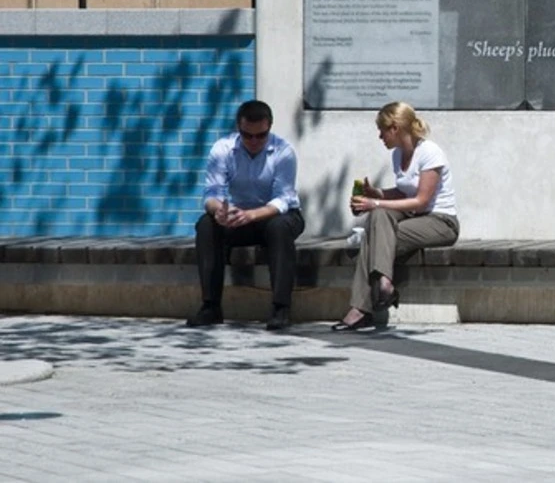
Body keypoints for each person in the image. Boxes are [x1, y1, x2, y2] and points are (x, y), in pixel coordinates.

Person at [332, 102, 459, 332]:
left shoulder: (430, 152)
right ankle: (384, 285)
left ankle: (361, 309)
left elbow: (421, 201)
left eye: (382, 130)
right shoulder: (398, 155)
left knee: (374, 236)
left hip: (440, 221)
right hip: (414, 218)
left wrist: (376, 202)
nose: (380, 136)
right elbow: (404, 192)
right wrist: (376, 195)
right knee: (378, 219)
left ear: (395, 128)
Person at [186, 100, 305, 331]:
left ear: (269, 128)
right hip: (239, 216)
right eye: (247, 135)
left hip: (276, 215)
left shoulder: (284, 152)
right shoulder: (222, 149)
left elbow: (283, 199)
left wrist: (252, 215)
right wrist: (219, 211)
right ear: (238, 130)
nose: (253, 142)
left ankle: (281, 307)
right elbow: (211, 194)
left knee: (279, 228)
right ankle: (211, 306)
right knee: (206, 226)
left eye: (260, 136)